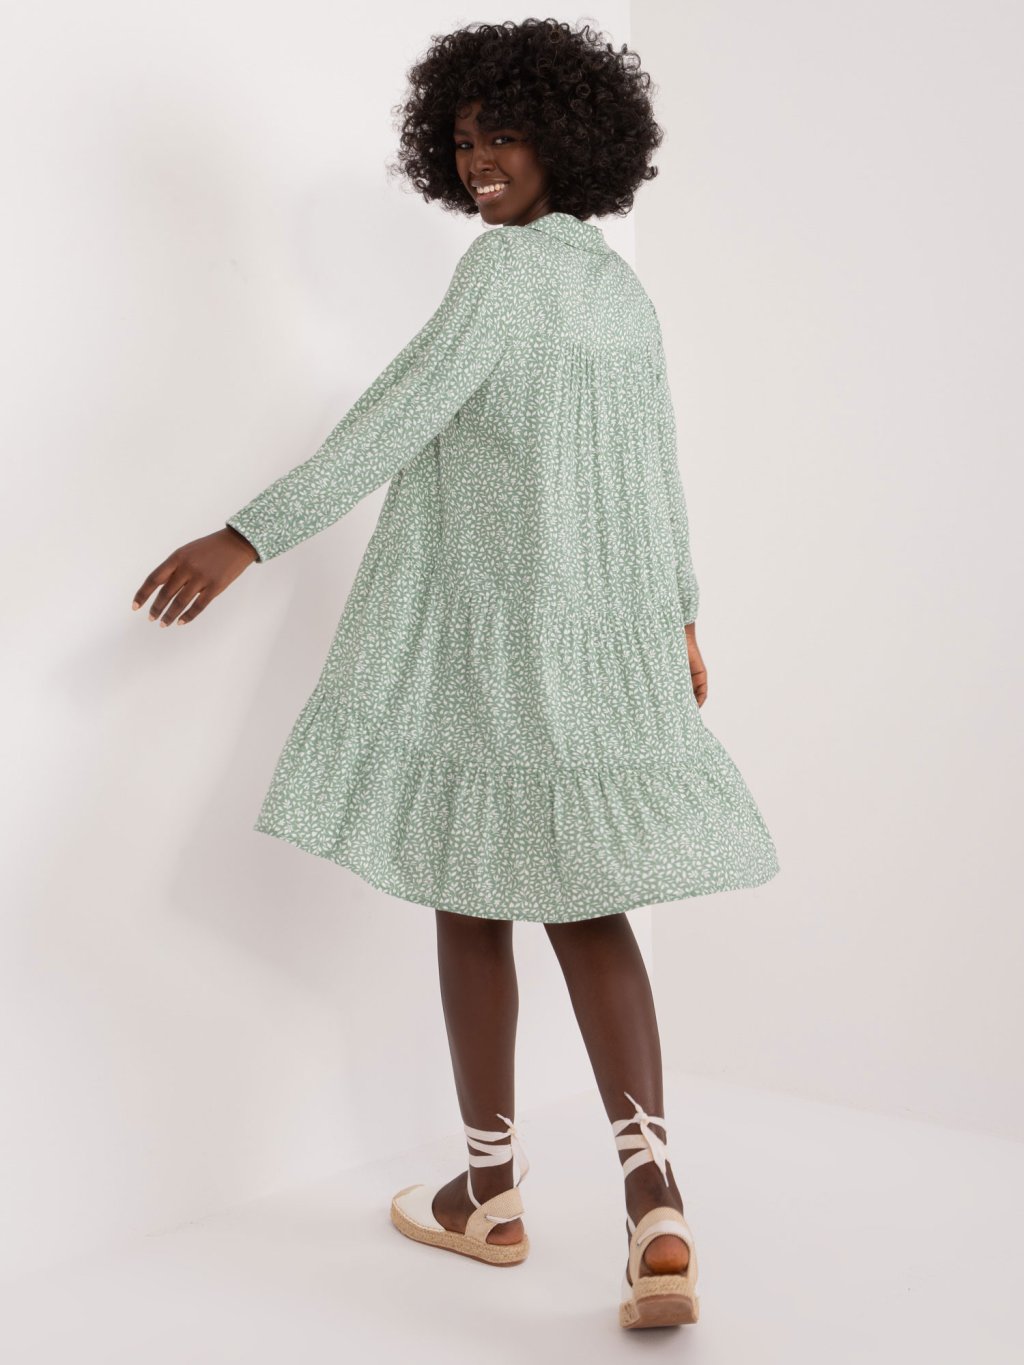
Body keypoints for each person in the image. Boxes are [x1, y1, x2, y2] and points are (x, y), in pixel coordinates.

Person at [131, 18, 779, 1330]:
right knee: (587, 902)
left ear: (568, 143)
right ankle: (652, 1195)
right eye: (468, 139)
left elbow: (394, 416)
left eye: (507, 136)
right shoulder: (618, 290)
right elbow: (657, 466)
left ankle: (491, 1190)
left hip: (493, 635)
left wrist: (247, 534)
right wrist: (679, 616)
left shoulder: (503, 274)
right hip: (604, 637)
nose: (484, 161)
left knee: (471, 892)